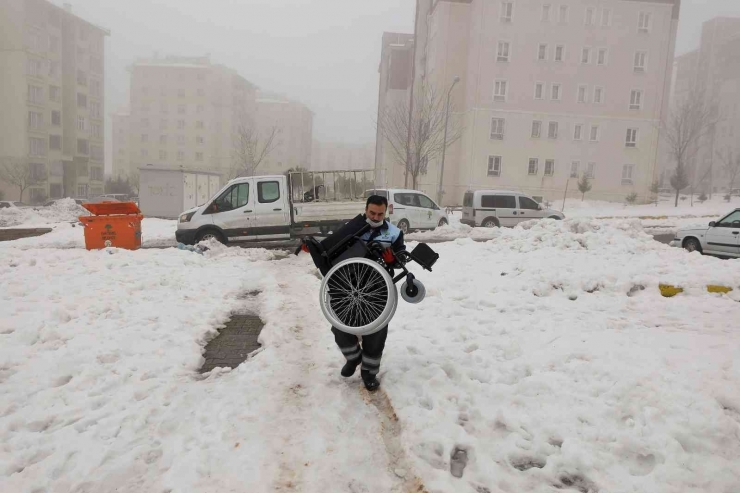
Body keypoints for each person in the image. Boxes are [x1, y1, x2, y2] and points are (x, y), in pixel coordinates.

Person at [330, 195, 405, 391]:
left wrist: (393, 261)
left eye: (380, 214)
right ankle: (353, 358)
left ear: (385, 213)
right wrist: (312, 247)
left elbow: (402, 258)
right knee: (340, 327)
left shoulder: (394, 233)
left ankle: (369, 372)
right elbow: (332, 249)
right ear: (366, 209)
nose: (375, 216)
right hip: (349, 285)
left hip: (378, 288)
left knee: (377, 332)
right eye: (372, 212)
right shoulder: (351, 227)